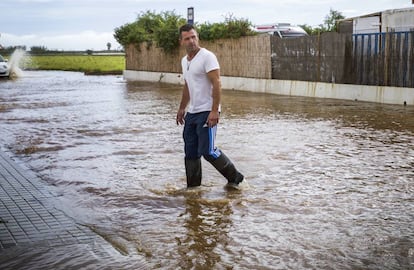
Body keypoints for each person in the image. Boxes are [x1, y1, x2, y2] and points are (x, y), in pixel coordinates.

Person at [176, 24, 247, 189]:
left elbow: (217, 83)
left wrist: (215, 110)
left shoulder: (207, 57)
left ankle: (237, 179)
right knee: (191, 153)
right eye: (187, 38)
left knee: (208, 151)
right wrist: (181, 108)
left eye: (193, 37)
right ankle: (193, 189)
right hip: (192, 112)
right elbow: (188, 86)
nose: (191, 41)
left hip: (207, 110)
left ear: (197, 37)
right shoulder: (184, 61)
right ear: (181, 42)